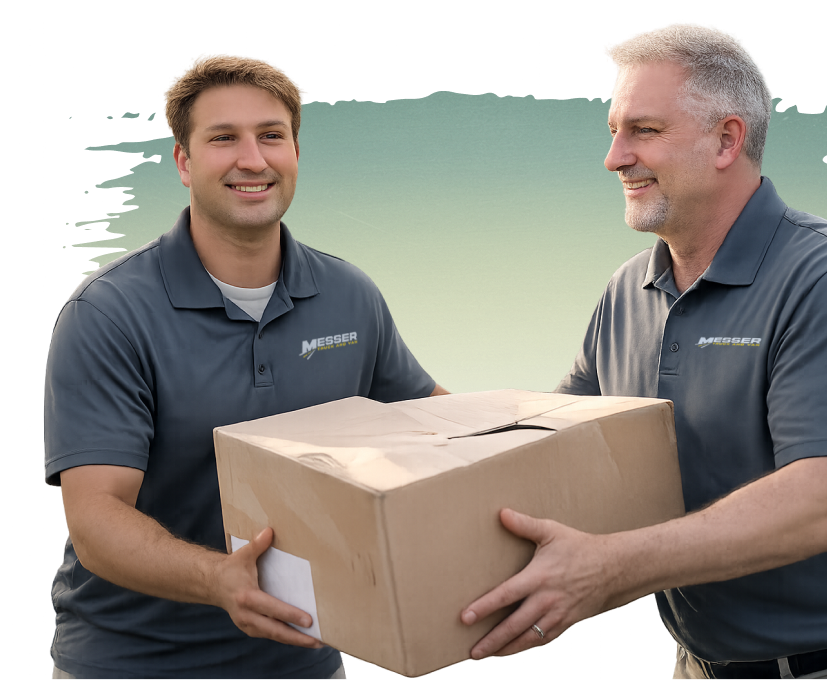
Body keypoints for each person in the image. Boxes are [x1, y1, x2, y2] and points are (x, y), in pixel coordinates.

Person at [45, 53, 449, 680]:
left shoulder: (349, 294)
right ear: (182, 160)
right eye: (223, 138)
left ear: (294, 153)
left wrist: (529, 441)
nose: (252, 160)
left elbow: (436, 425)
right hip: (130, 663)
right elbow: (96, 519)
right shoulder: (108, 313)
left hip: (306, 658)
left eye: (271, 136)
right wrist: (218, 580)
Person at [460, 20, 826, 680]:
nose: (614, 157)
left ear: (725, 139)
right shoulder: (629, 287)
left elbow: (815, 499)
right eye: (612, 132)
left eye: (643, 131)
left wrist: (608, 567)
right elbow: (551, 442)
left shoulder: (814, 276)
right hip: (694, 663)